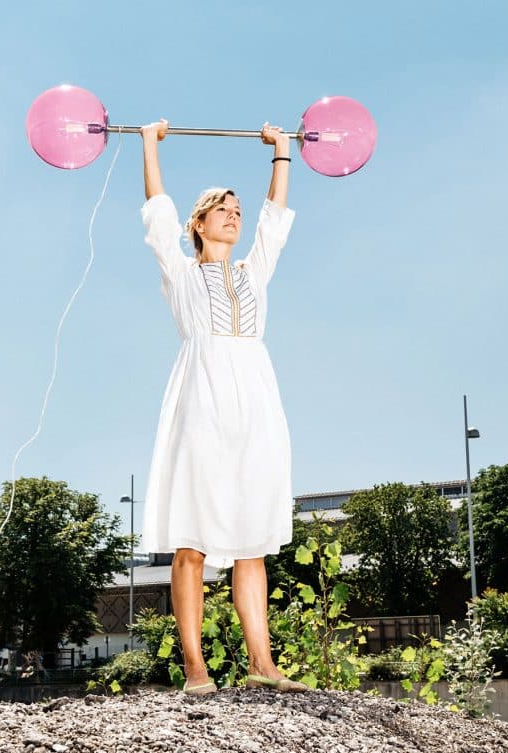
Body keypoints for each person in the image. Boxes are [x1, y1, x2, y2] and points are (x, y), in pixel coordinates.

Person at [139, 119, 306, 694]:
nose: (234, 214)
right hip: (202, 399)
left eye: (237, 208)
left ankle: (263, 666)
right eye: (222, 207)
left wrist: (282, 152)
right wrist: (147, 145)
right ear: (200, 223)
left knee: (254, 539)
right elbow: (157, 214)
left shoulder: (253, 275)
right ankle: (195, 670)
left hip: (256, 400)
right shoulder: (182, 276)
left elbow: (275, 224)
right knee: (193, 539)